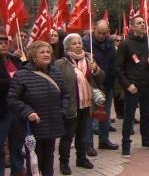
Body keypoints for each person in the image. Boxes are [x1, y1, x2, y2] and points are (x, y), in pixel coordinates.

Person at [7, 41, 70, 176]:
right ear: (33, 56)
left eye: (48, 52)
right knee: (33, 160)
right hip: (32, 126)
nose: (46, 54)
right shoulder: (22, 75)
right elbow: (12, 99)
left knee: (49, 159)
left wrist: (62, 112)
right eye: (42, 52)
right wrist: (28, 112)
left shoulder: (56, 73)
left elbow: (66, 95)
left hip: (52, 124)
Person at [55, 33, 104, 175]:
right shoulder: (61, 63)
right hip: (71, 104)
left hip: (86, 104)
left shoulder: (90, 59)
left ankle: (81, 159)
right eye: (74, 43)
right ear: (67, 47)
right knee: (68, 135)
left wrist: (96, 70)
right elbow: (57, 85)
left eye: (79, 43)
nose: (77, 45)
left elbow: (101, 79)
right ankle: (64, 162)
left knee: (82, 134)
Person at [116, 16, 149, 157]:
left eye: (144, 23)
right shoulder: (125, 44)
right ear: (132, 26)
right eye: (139, 23)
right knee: (129, 117)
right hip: (133, 86)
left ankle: (146, 139)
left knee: (146, 115)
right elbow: (118, 67)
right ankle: (125, 144)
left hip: (147, 86)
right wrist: (128, 85)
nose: (142, 25)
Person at [83, 20, 119, 154]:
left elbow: (114, 62)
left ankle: (104, 140)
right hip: (91, 84)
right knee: (90, 116)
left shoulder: (110, 43)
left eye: (105, 33)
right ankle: (88, 144)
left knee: (105, 114)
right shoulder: (86, 42)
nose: (102, 36)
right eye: (99, 33)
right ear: (94, 29)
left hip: (107, 83)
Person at [0, 31, 25, 176]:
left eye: (4, 42)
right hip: (2, 111)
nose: (3, 44)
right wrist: (13, 83)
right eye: (0, 42)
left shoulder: (14, 60)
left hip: (17, 109)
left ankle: (17, 170)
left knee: (16, 144)